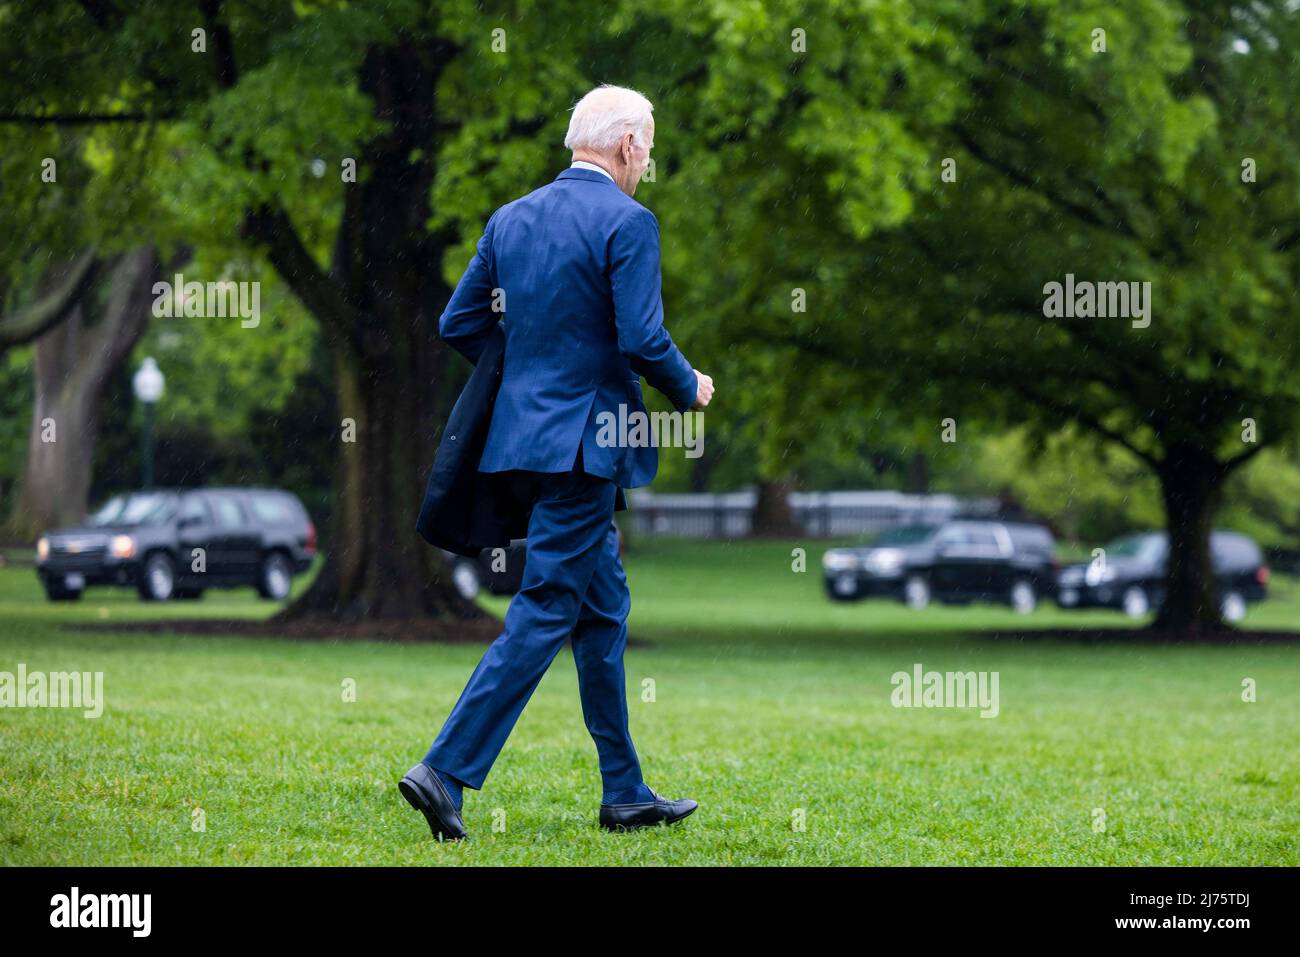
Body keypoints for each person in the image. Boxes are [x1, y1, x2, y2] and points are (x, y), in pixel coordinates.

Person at [399, 85, 715, 840]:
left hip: (523, 443)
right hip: (585, 446)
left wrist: (532, 375)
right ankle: (444, 768)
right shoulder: (630, 223)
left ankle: (626, 792)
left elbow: (459, 322)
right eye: (651, 148)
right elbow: (641, 338)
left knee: (602, 610)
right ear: (629, 146)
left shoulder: (512, 218)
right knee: (544, 608)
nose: (650, 162)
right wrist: (688, 384)